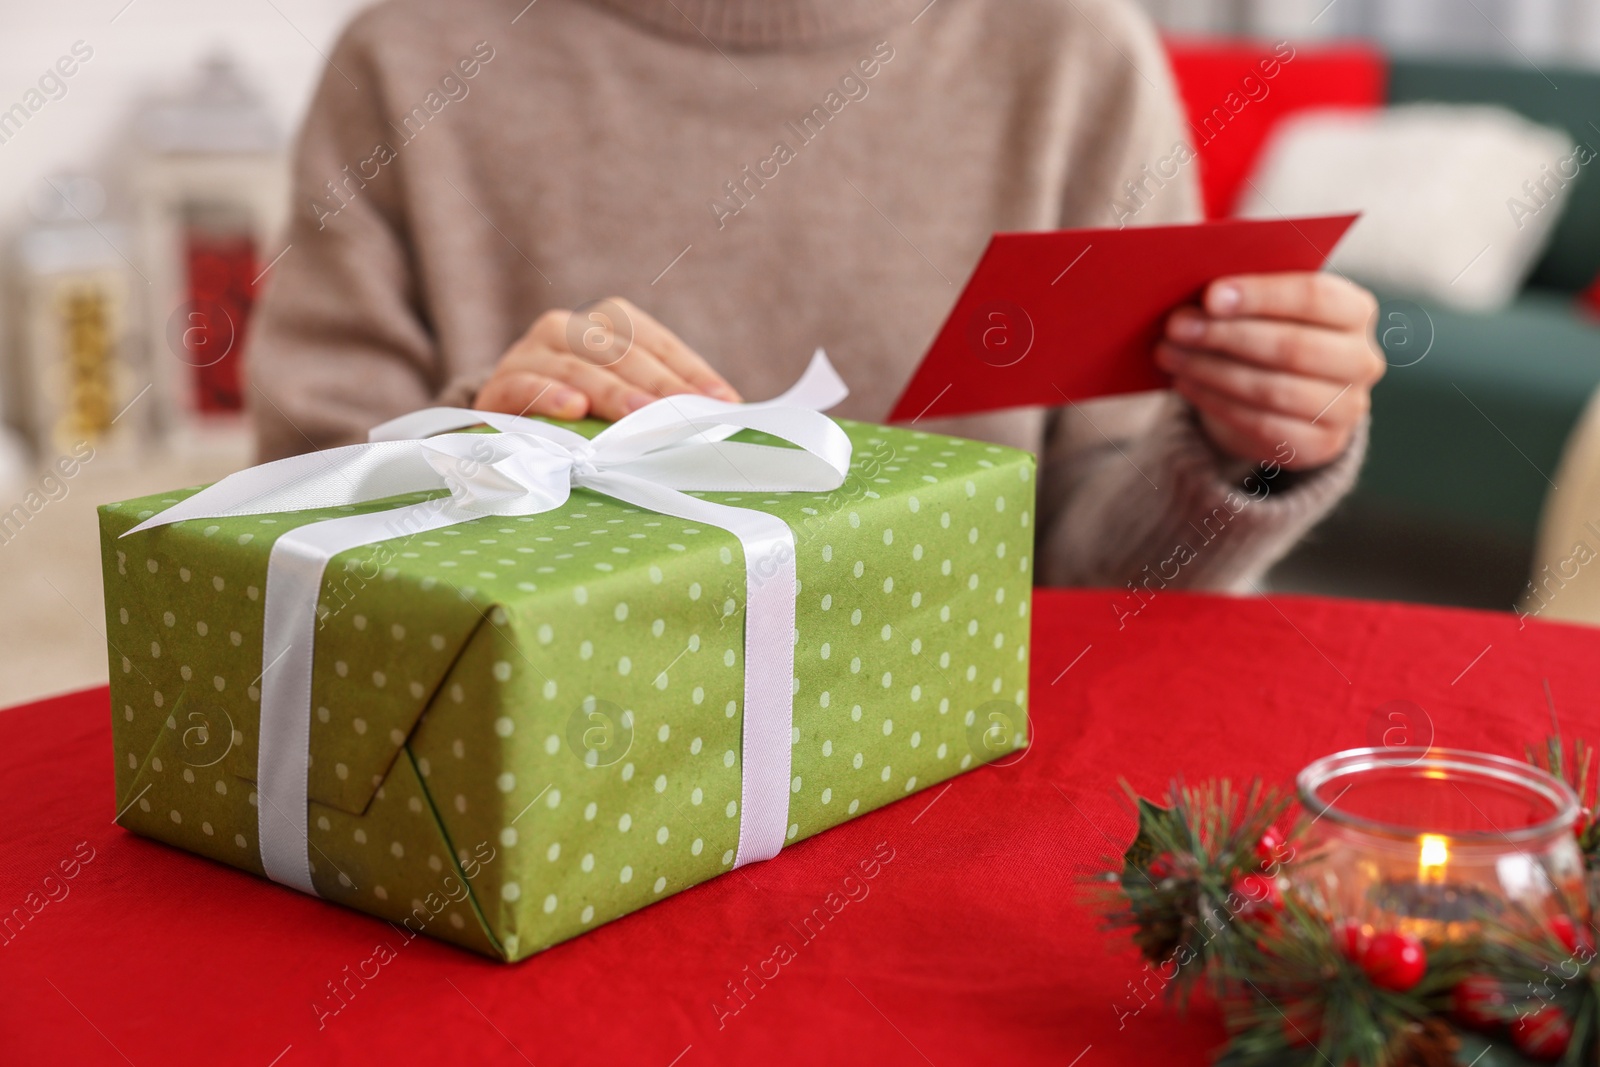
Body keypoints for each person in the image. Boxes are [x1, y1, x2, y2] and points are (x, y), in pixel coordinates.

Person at [248, 0, 1384, 589]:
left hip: (963, 770)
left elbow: (1091, 588)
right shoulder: (404, 62)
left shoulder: (1074, 57)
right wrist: (486, 445)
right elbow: (287, 533)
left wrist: (1236, 454)